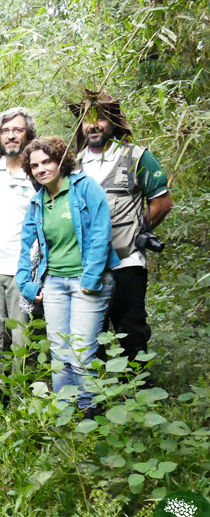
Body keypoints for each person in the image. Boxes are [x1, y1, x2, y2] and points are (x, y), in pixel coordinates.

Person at [68, 90, 173, 367]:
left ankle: (140, 393)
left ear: (113, 122)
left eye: (100, 118)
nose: (93, 125)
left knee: (131, 330)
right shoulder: (72, 164)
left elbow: (162, 203)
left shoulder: (136, 157)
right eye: (86, 119)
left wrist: (138, 232)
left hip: (127, 262)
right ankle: (96, 395)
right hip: (85, 265)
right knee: (90, 331)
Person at [16, 137, 117, 417]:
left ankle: (89, 412)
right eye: (34, 165)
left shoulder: (85, 188)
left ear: (61, 160)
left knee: (83, 352)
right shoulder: (38, 202)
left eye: (46, 161)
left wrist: (91, 277)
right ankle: (65, 410)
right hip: (55, 284)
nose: (40, 169)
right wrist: (27, 284)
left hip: (86, 282)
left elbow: (100, 232)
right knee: (60, 351)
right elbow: (27, 247)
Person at [0, 108, 39, 409]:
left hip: (25, 270)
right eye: (5, 131)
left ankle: (20, 399)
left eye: (17, 130)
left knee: (22, 338)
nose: (11, 135)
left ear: (28, 133)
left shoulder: (37, 171)